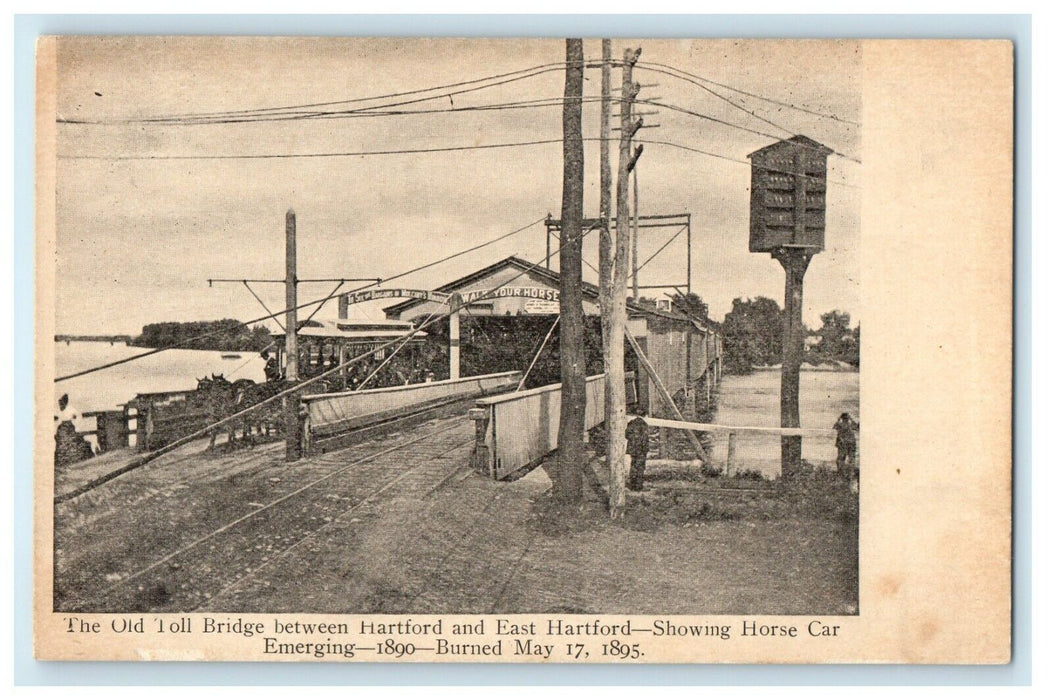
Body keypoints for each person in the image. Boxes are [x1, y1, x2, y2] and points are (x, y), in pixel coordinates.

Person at [625, 415, 651, 491]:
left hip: (633, 450)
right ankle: (639, 487)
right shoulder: (643, 424)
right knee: (640, 467)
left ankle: (632, 485)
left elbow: (626, 435)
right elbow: (644, 438)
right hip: (641, 449)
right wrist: (645, 448)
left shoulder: (631, 423)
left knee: (633, 466)